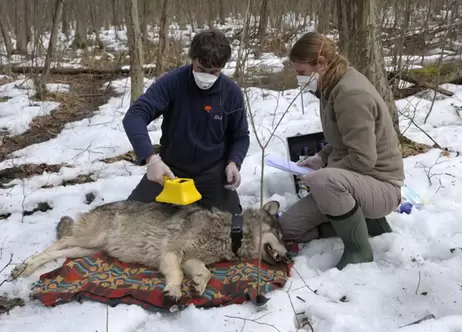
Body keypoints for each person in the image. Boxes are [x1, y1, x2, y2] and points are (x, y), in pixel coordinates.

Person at [278, 32, 405, 270]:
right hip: (352, 180)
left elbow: (363, 159)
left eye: (301, 72)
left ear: (321, 63)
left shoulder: (351, 94)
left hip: (381, 184)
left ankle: (358, 249)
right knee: (288, 228)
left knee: (325, 182)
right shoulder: (329, 86)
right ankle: (368, 225)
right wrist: (320, 159)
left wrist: (322, 176)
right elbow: (343, 142)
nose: (298, 78)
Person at [122, 29, 250, 214]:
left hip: (212, 173)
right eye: (200, 69)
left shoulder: (231, 93)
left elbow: (241, 136)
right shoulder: (173, 82)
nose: (206, 76)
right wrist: (151, 159)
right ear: (192, 59)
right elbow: (135, 115)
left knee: (232, 228)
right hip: (171, 171)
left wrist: (234, 162)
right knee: (129, 218)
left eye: (214, 72)